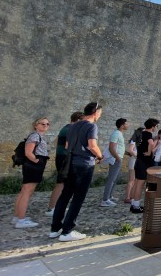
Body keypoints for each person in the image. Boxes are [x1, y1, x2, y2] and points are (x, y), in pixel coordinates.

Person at [50, 102, 103, 241]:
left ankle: (55, 228)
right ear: (96, 113)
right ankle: (67, 231)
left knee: (65, 195)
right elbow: (92, 145)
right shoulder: (92, 126)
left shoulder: (72, 126)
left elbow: (67, 145)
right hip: (84, 164)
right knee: (78, 198)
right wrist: (100, 156)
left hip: (71, 162)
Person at [13, 117, 50, 228]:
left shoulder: (38, 136)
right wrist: (37, 161)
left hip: (33, 166)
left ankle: (18, 216)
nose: (45, 125)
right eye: (42, 123)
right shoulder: (35, 136)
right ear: (35, 125)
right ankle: (21, 220)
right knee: (27, 192)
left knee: (24, 191)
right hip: (33, 166)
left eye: (47, 124)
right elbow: (28, 153)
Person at [45, 111, 82, 216]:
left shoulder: (65, 128)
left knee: (63, 183)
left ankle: (56, 206)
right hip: (65, 158)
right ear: (78, 120)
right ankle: (51, 208)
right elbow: (68, 146)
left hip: (61, 157)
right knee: (61, 184)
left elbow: (56, 142)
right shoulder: (71, 129)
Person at [130, 118, 160, 213]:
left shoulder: (140, 133)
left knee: (137, 183)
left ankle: (134, 204)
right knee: (142, 184)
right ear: (153, 126)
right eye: (156, 126)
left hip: (139, 160)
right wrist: (149, 151)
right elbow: (151, 143)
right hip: (145, 162)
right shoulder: (148, 134)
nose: (156, 128)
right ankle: (137, 206)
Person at [100, 118, 129, 207]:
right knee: (111, 179)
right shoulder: (116, 134)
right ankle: (105, 200)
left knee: (115, 179)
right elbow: (111, 147)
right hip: (116, 159)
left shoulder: (119, 134)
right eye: (126, 124)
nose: (128, 125)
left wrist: (127, 153)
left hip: (118, 158)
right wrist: (118, 158)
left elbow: (119, 147)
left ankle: (109, 196)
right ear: (122, 125)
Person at [124, 127, 143, 204]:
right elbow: (131, 150)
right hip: (134, 160)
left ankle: (131, 196)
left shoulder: (139, 141)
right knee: (131, 180)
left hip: (137, 161)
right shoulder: (133, 141)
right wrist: (138, 156)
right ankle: (127, 197)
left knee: (135, 180)